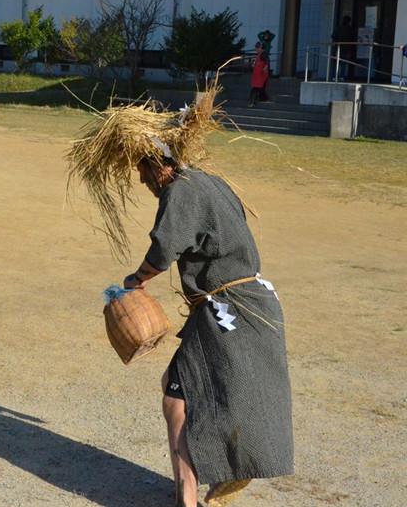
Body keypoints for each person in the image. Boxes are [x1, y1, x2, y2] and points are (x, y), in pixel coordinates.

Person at [123, 156, 293, 507]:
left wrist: (135, 280)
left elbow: (163, 249)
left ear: (159, 166)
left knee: (176, 394)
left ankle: (187, 495)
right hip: (252, 299)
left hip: (227, 308)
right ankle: (219, 476)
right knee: (201, 385)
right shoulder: (211, 181)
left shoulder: (179, 191)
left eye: (143, 172)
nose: (144, 182)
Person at [332, 15, 355, 80]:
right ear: (349, 22)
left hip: (338, 47)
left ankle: (334, 76)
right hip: (346, 48)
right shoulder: (349, 29)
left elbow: (333, 37)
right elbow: (352, 38)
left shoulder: (338, 28)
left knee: (337, 63)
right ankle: (341, 76)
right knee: (343, 63)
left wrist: (335, 44)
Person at [248, 42, 270, 107]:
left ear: (261, 48)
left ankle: (252, 102)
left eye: (257, 47)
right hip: (258, 75)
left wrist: (265, 67)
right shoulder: (259, 55)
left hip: (261, 75)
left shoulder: (264, 54)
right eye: (256, 47)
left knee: (256, 89)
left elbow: (267, 61)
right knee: (260, 89)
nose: (256, 49)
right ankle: (263, 99)